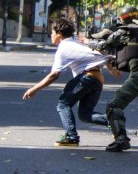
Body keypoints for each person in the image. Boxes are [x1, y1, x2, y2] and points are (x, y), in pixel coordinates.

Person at [23, 18, 120, 146]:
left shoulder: (64, 48)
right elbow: (99, 52)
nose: (50, 36)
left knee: (63, 104)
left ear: (59, 34)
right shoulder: (78, 42)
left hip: (87, 77)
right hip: (97, 78)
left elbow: (54, 75)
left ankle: (71, 136)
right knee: (85, 114)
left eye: (52, 33)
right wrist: (110, 67)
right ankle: (112, 121)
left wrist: (34, 89)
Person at [85, 6, 138, 152]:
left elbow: (104, 44)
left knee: (113, 106)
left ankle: (121, 139)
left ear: (123, 18)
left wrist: (87, 42)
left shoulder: (126, 30)